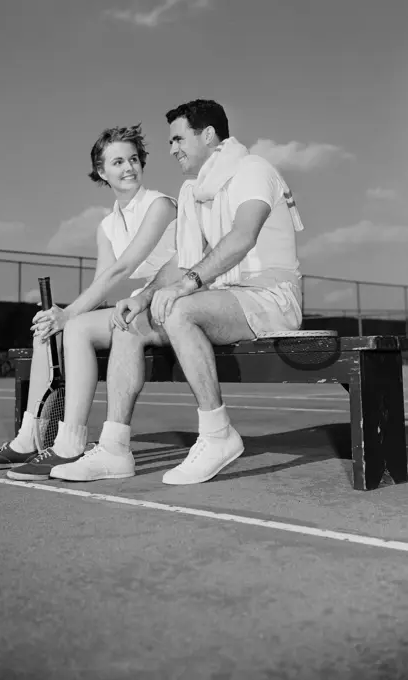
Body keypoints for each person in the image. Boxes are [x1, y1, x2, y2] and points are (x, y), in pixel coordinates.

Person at [51, 98, 304, 486]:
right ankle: (115, 449)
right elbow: (180, 264)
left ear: (207, 135)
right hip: (224, 298)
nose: (172, 150)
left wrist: (187, 286)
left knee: (180, 310)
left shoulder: (253, 169)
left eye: (178, 139)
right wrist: (143, 297)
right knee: (131, 324)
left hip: (270, 297)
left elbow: (241, 237)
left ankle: (218, 434)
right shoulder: (192, 191)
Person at [0, 124, 177, 480]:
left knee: (73, 323)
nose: (128, 168)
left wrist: (71, 316)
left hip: (168, 302)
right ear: (101, 171)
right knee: (46, 330)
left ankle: (69, 444)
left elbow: (123, 268)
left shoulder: (160, 205)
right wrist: (58, 318)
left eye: (134, 159)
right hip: (135, 307)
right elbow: (102, 283)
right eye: (118, 162)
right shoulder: (107, 225)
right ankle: (28, 438)